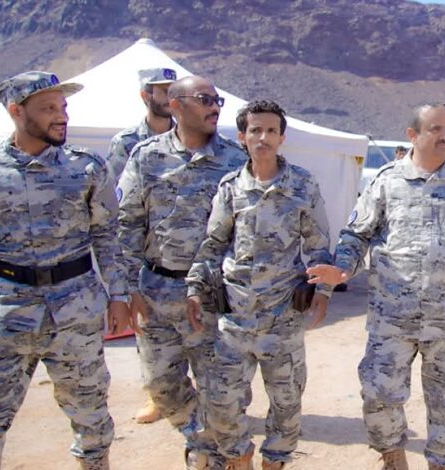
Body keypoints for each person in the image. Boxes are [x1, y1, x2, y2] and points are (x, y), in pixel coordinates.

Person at [0, 71, 132, 470]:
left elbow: (107, 236)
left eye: (63, 107)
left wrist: (119, 296)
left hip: (76, 306)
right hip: (10, 310)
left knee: (92, 416)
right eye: (48, 109)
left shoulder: (86, 168)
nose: (61, 116)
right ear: (16, 111)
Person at [307, 103, 445, 470]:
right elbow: (356, 234)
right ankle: (393, 458)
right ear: (413, 135)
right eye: (436, 129)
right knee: (378, 395)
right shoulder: (387, 181)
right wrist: (343, 270)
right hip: (392, 319)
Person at [186, 100, 332, 470]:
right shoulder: (230, 188)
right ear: (242, 137)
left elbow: (318, 246)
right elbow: (213, 244)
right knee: (221, 401)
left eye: (270, 131)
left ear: (282, 138)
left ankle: (275, 462)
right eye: (255, 130)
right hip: (235, 318)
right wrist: (195, 288)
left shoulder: (302, 185)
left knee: (287, 403)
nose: (263, 137)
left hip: (283, 318)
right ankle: (239, 456)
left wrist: (323, 292)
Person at [117, 75, 248, 469]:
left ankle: (208, 457)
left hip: (212, 296)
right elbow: (127, 224)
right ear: (175, 105)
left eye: (218, 100)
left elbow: (247, 231)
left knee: (221, 391)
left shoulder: (236, 160)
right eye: (205, 99)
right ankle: (204, 443)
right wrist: (127, 289)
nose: (215, 107)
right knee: (161, 387)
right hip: (156, 292)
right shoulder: (146, 157)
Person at [107, 67, 176, 425]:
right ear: (145, 96)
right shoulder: (127, 143)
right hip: (149, 253)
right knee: (150, 333)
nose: (168, 97)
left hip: (188, 250)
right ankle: (156, 396)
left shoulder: (194, 136)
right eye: (161, 91)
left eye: (172, 90)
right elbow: (116, 200)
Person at [106, 67, 176, 179]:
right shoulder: (125, 142)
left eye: (175, 92)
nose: (171, 98)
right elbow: (113, 184)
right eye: (165, 91)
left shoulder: (188, 139)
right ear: (145, 96)